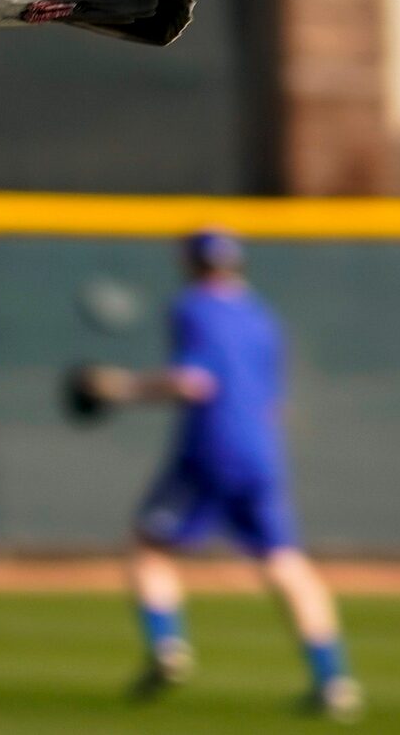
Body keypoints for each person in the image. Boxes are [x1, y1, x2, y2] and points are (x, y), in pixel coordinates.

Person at [79, 229, 362, 719]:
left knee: (149, 547)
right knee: (286, 564)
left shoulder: (192, 307)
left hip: (210, 448)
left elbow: (193, 382)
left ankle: (167, 647)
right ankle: (333, 679)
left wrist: (123, 388)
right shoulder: (264, 318)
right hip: (262, 453)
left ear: (190, 263)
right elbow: (275, 406)